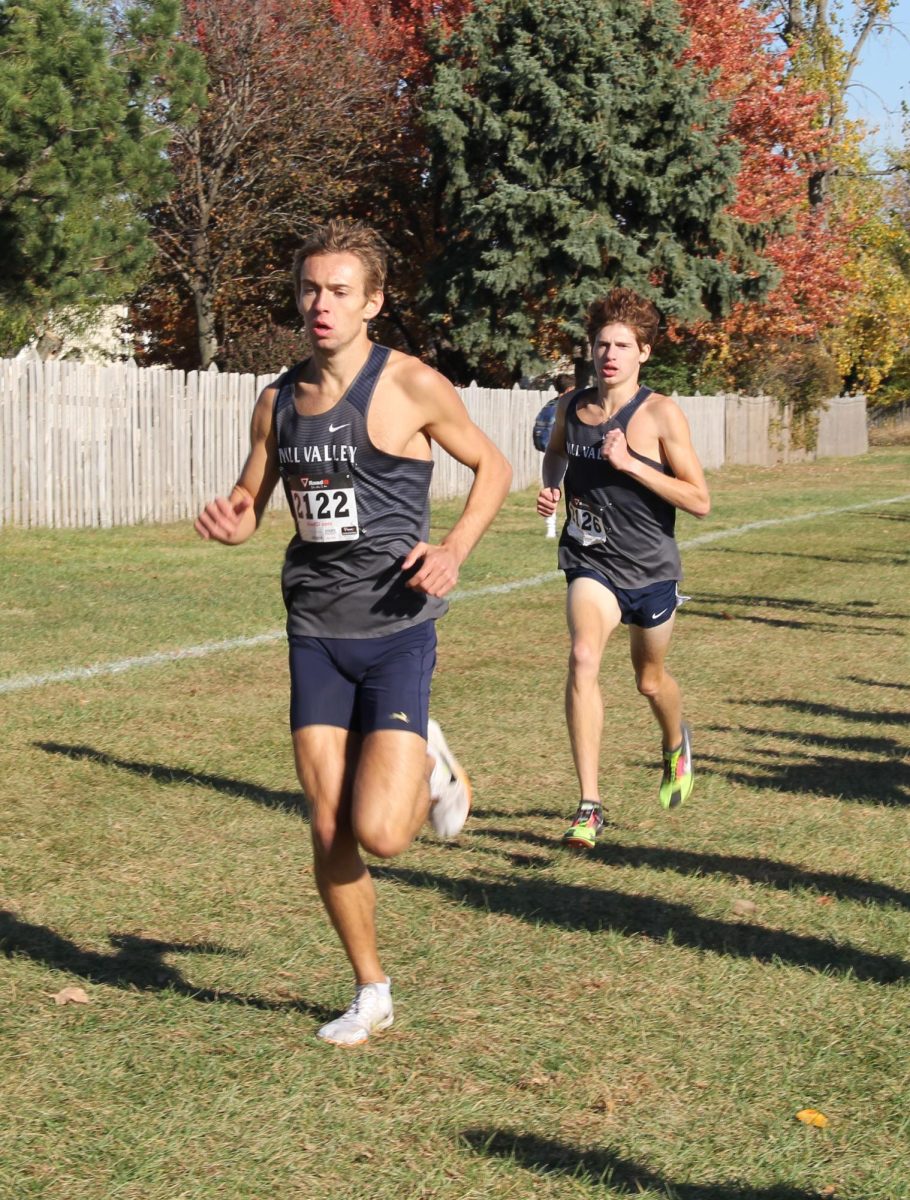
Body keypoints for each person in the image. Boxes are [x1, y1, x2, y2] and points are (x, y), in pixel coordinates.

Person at [195, 219, 512, 1044]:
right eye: (309, 289)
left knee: (382, 834)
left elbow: (496, 467)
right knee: (327, 822)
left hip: (397, 628)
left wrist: (453, 548)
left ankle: (436, 765)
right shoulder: (275, 401)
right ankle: (371, 989)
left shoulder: (410, 386)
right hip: (315, 630)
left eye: (339, 291)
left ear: (373, 301)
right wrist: (235, 520)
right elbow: (250, 496)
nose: (320, 305)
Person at [536, 288, 709, 849]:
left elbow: (698, 499)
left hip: (652, 570)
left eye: (622, 345)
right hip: (592, 562)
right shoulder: (571, 407)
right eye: (601, 344)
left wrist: (630, 463)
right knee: (583, 656)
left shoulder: (661, 413)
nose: (609, 354)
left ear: (644, 353)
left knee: (649, 680)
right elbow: (557, 451)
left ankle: (674, 742)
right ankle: (589, 805)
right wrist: (550, 484)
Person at [533, 372, 575, 538]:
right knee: (561, 492)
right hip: (566, 454)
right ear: (570, 388)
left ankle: (550, 529)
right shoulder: (568, 406)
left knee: (550, 490)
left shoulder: (550, 404)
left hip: (547, 452)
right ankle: (559, 528)